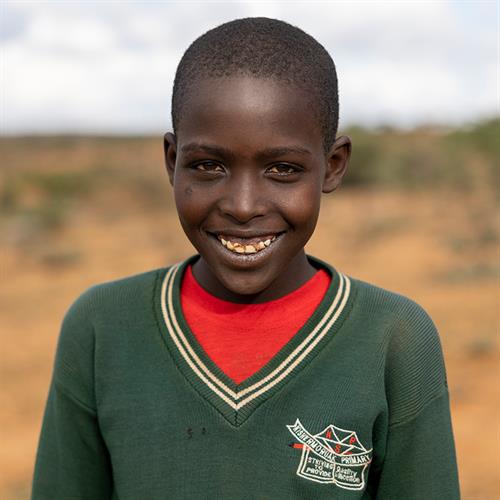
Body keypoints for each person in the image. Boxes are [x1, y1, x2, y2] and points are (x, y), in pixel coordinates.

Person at [31, 17, 460, 499]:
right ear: (172, 161)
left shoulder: (394, 339)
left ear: (333, 166)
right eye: (208, 166)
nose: (242, 205)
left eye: (283, 169)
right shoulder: (102, 327)